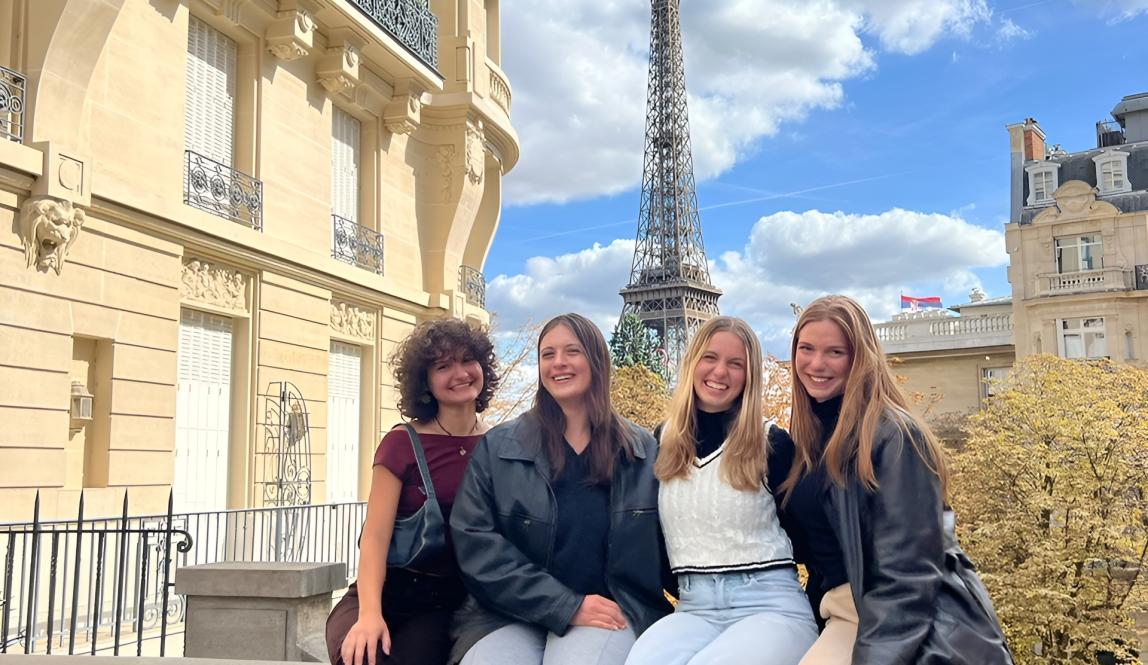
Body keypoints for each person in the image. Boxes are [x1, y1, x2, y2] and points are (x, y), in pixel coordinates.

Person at [774, 295, 1012, 665]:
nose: (816, 364)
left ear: (860, 358)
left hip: (885, 616)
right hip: (840, 608)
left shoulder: (895, 436)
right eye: (806, 349)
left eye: (835, 352)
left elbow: (909, 575)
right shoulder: (811, 436)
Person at [449, 313, 674, 665]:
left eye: (572, 351)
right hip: (506, 614)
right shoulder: (498, 447)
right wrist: (565, 605)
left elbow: (674, 541)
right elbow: (475, 545)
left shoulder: (642, 451)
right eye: (548, 354)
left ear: (596, 360)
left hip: (608, 609)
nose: (558, 363)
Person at [625, 316, 817, 665]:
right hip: (694, 608)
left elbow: (810, 538)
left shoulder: (771, 443)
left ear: (749, 375)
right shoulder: (663, 441)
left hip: (770, 607)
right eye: (710, 358)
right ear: (692, 362)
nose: (720, 371)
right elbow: (653, 539)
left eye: (735, 363)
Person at [325, 318, 499, 665]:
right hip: (381, 591)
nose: (460, 373)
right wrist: (369, 615)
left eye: (468, 360)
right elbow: (375, 537)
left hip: (443, 602)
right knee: (359, 655)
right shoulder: (401, 443)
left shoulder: (499, 445)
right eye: (443, 366)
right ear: (425, 381)